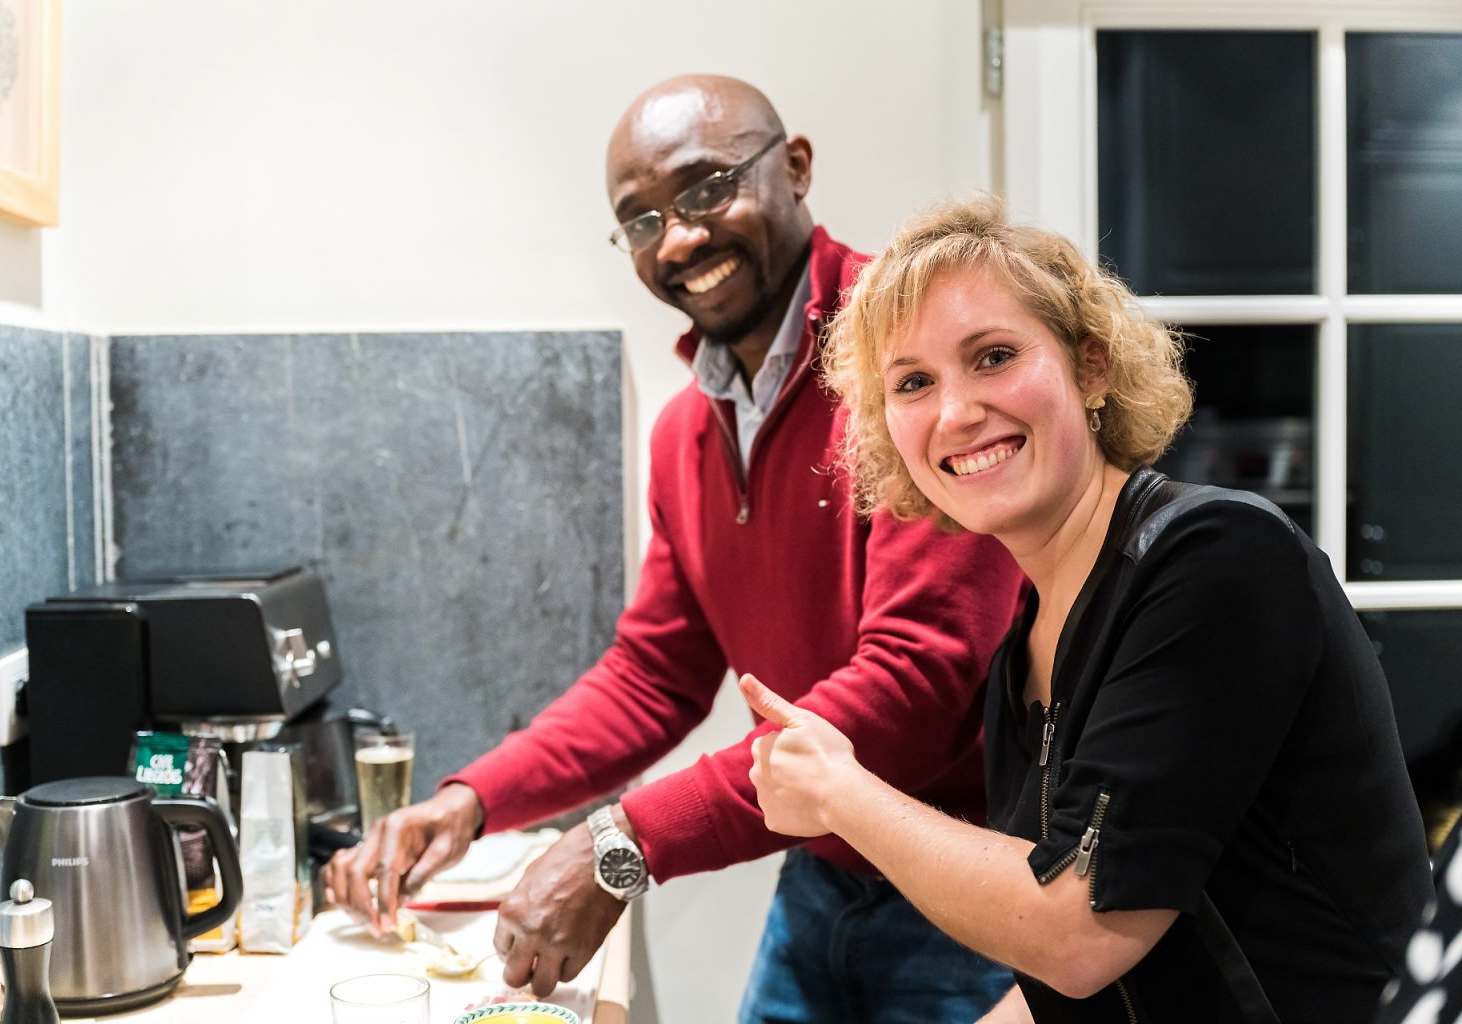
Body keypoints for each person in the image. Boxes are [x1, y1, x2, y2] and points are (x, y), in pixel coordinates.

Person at [323, 76, 1026, 1021]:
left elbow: (915, 680)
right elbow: (652, 675)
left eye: (705, 189)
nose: (682, 237)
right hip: (823, 875)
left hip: (969, 883)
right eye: (642, 218)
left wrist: (626, 841)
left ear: (798, 168)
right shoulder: (689, 430)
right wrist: (472, 800)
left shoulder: (906, 359)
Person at [742, 194, 1434, 1023]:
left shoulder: (1217, 558)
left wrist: (841, 796)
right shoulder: (1023, 654)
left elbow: (1081, 931)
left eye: (993, 356)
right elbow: (1064, 988)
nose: (957, 413)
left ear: (1091, 366)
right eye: (915, 382)